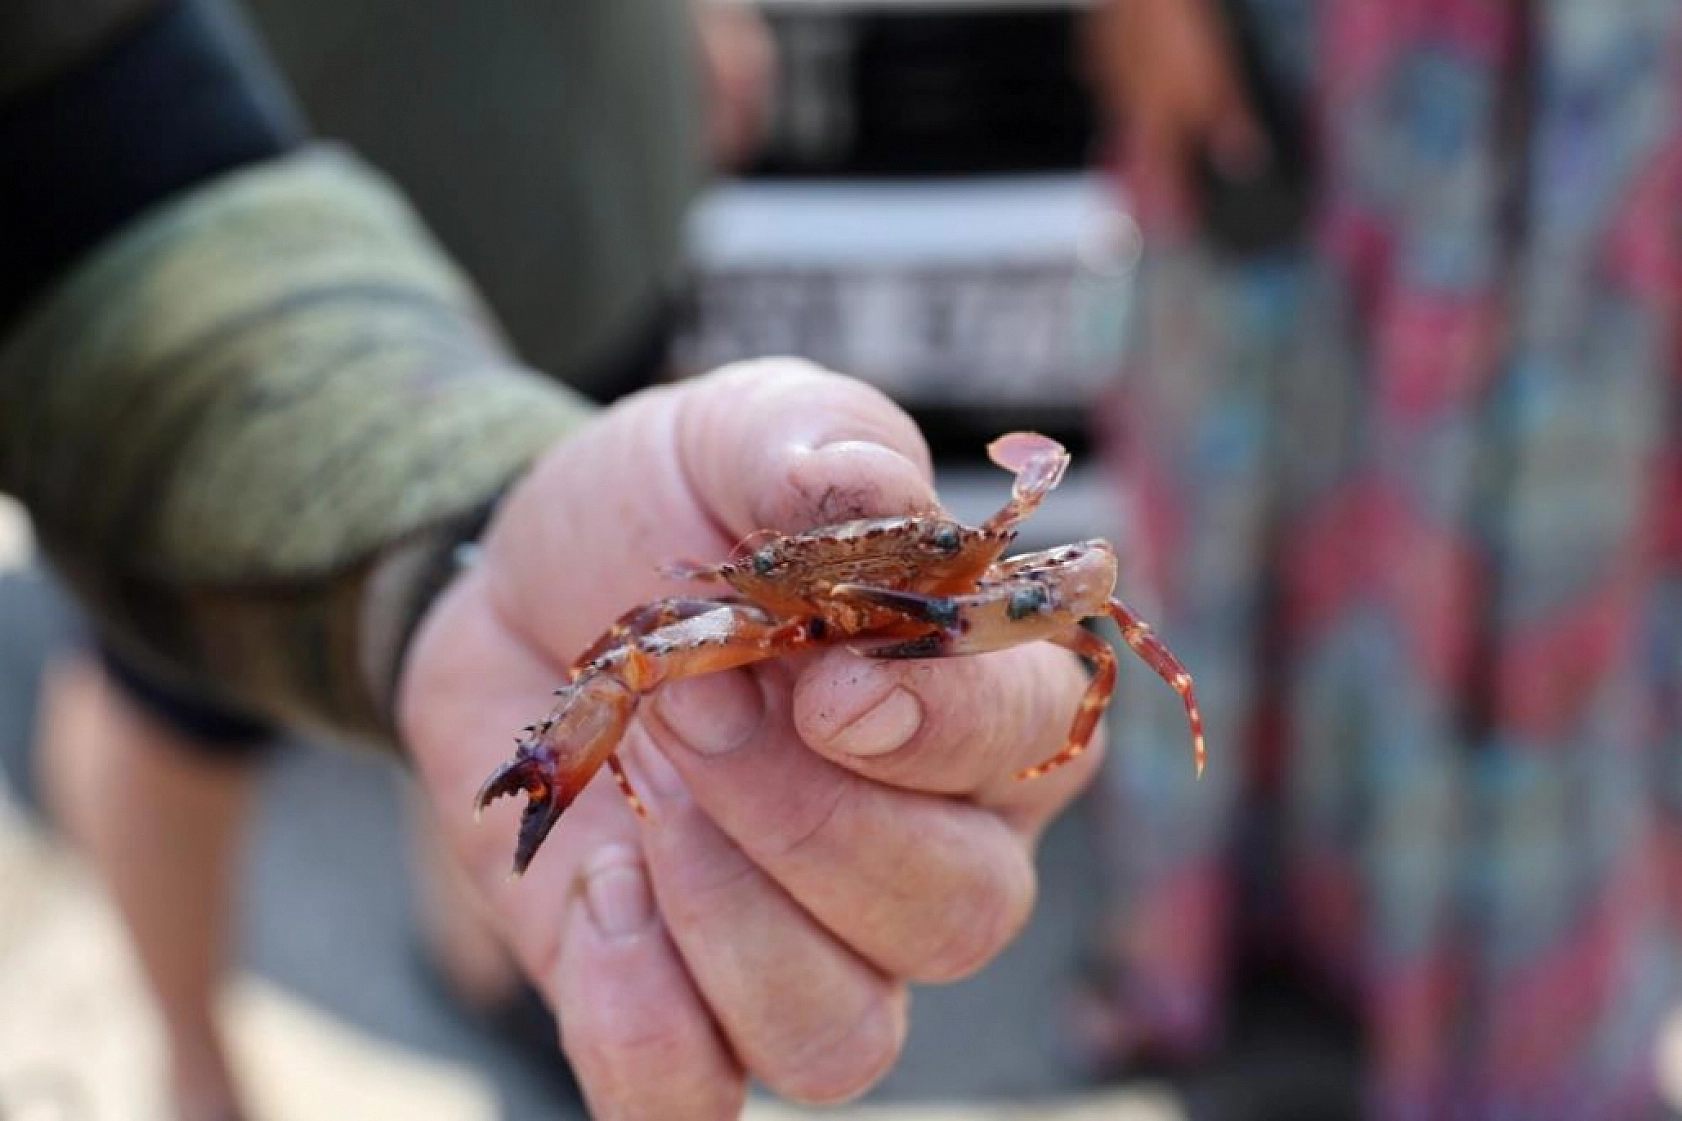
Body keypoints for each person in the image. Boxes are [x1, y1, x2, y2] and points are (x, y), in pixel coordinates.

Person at [1, 4, 1098, 1121]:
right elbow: (95, 135)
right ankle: (189, 1053)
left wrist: (471, 537)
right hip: (300, 176)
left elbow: (1085, 588)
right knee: (169, 703)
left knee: (505, 661)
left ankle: (482, 952)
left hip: (590, 206)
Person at [1082, 1, 1682, 1117]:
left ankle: (1506, 1013)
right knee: (1249, 487)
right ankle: (1274, 947)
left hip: (1599, 86)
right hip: (1314, 55)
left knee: (1561, 519)